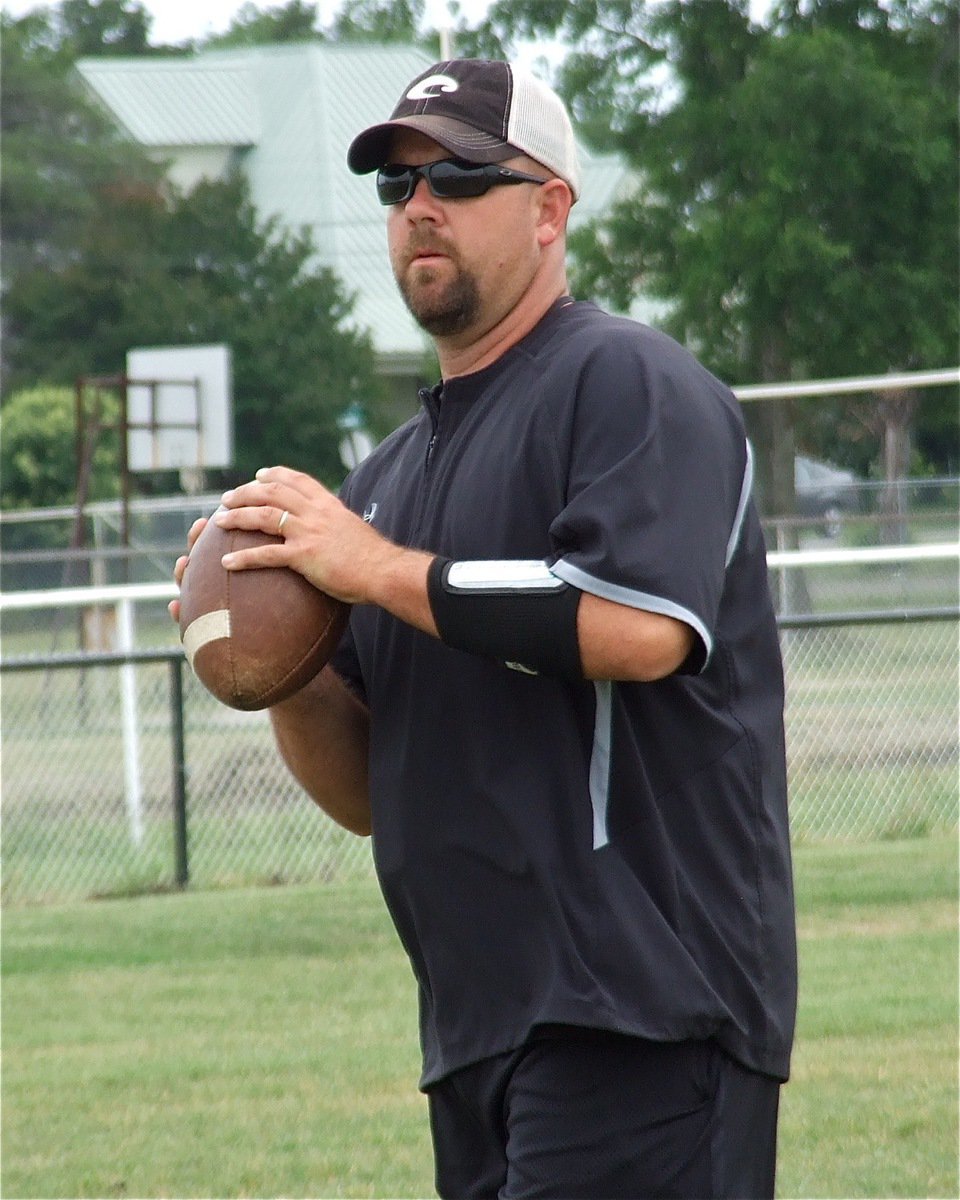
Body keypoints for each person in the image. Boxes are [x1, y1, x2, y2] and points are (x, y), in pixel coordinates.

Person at [172, 58, 797, 1200]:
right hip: (477, 1026)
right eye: (398, 182)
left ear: (552, 208)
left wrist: (368, 566)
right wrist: (281, 664)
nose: (421, 204)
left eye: (459, 174)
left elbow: (636, 628)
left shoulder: (628, 383)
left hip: (644, 1007)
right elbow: (369, 791)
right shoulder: (388, 478)